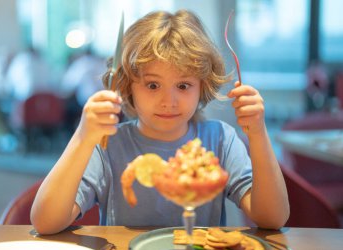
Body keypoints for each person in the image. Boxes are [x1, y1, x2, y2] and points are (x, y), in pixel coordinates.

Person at [31, 10, 289, 235]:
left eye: (183, 85)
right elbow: (45, 222)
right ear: (127, 86)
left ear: (202, 86)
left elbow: (273, 218)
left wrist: (258, 133)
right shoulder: (107, 144)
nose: (169, 101)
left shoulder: (221, 139)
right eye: (153, 85)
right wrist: (83, 137)